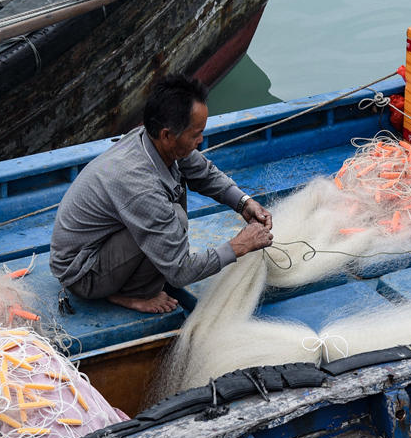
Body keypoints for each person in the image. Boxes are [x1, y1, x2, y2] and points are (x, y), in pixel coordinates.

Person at [48, 73, 274, 313]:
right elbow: (179, 271)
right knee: (176, 218)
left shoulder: (150, 139)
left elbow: (203, 172)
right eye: (196, 133)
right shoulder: (139, 185)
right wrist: (240, 245)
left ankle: (126, 283)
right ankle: (130, 294)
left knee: (170, 219)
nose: (201, 140)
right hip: (83, 274)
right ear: (167, 135)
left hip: (98, 244)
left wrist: (243, 202)